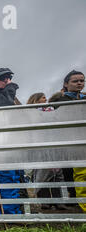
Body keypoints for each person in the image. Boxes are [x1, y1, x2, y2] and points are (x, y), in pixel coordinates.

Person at [48, 70, 86, 211]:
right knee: (71, 170)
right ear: (66, 84)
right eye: (75, 81)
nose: (79, 83)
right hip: (70, 139)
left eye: (82, 81)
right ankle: (77, 198)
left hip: (83, 137)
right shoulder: (60, 100)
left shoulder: (83, 98)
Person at [0, 67, 24, 214]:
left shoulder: (12, 95)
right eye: (2, 78)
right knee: (4, 177)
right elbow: (3, 107)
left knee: (15, 177)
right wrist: (10, 89)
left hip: (12, 140)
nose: (6, 81)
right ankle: (7, 213)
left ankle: (15, 210)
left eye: (8, 78)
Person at [27, 93, 68, 210]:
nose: (45, 99)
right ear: (35, 100)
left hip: (53, 144)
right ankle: (44, 200)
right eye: (43, 97)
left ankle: (59, 201)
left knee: (56, 173)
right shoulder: (32, 112)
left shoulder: (52, 111)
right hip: (39, 145)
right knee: (41, 173)